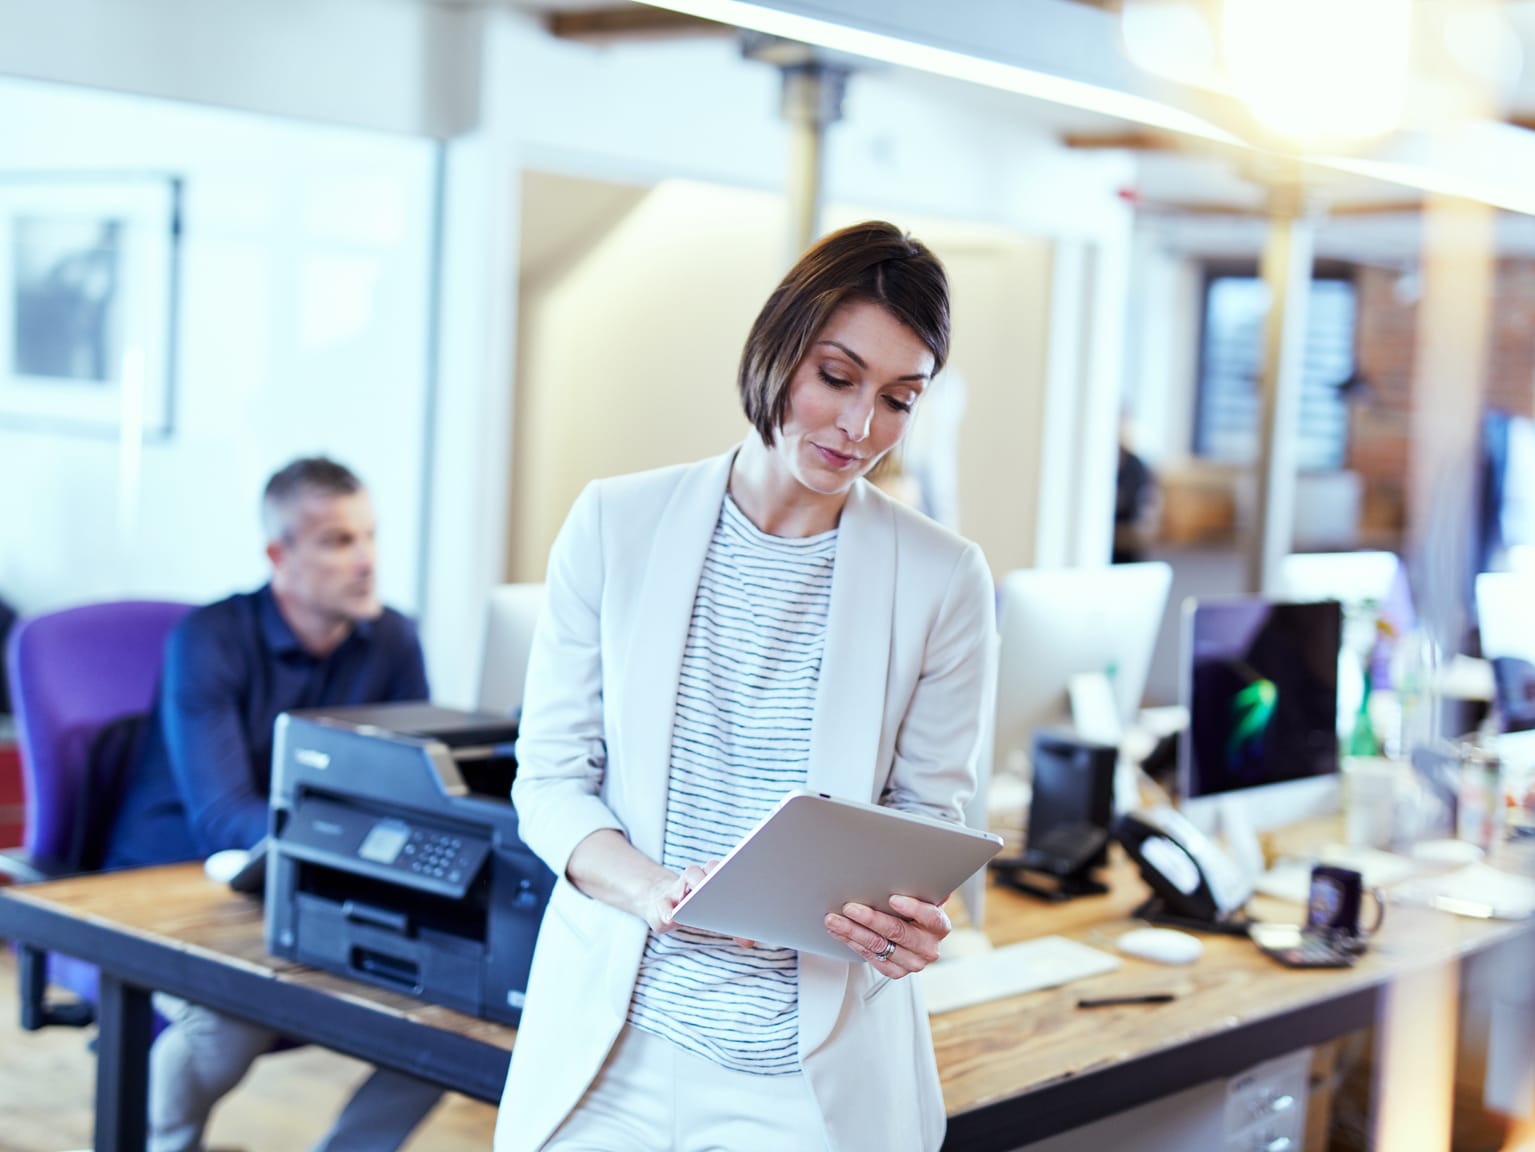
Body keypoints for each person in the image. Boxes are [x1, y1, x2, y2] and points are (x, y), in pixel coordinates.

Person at [494, 221, 996, 1152]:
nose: (859, 428)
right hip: (613, 1052)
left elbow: (929, 821)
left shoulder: (943, 578)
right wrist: (651, 891)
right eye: (836, 378)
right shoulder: (616, 522)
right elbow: (550, 781)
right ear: (774, 350)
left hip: (808, 1080)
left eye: (897, 399)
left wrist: (907, 925)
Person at [105, 456, 443, 1152]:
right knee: (226, 1019)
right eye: (337, 541)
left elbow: (413, 793)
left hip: (311, 877)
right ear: (277, 554)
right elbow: (223, 815)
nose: (365, 561)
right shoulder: (209, 639)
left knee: (449, 1020)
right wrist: (356, 845)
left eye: (370, 537)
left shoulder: (392, 638)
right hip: (176, 879)